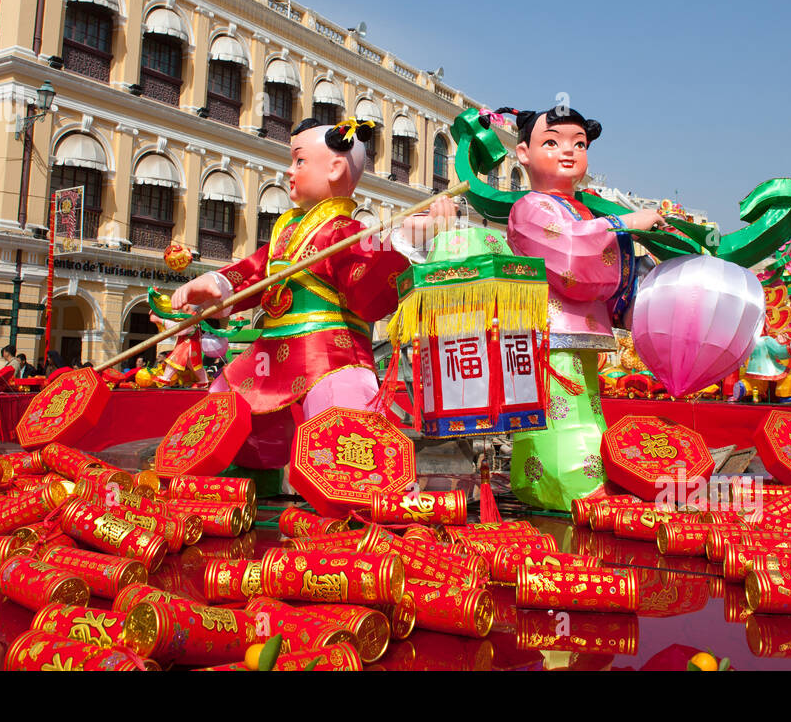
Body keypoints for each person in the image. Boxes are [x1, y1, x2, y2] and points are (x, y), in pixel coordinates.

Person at [172, 116, 455, 474]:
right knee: (224, 402)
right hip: (270, 352)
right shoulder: (287, 230)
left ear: (336, 168)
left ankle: (351, 496)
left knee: (341, 433)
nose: (290, 171)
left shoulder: (347, 232)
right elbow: (256, 269)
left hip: (330, 355)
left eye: (299, 161)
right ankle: (245, 478)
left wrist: (406, 242)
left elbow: (367, 290)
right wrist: (220, 284)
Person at [501, 106, 666, 509]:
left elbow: (605, 270)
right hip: (548, 331)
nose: (568, 152)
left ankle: (559, 483)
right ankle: (576, 487)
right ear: (523, 152)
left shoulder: (581, 211)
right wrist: (622, 224)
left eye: (579, 144)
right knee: (562, 413)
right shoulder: (530, 208)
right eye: (552, 142)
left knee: (585, 409)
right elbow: (569, 254)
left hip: (579, 330)